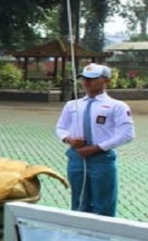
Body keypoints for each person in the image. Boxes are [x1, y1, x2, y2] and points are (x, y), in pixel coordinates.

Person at [55, 63, 135, 217]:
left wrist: (97, 148)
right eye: (84, 78)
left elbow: (127, 134)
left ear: (106, 81)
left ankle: (102, 238)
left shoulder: (116, 106)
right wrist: (69, 140)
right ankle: (80, 236)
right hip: (76, 157)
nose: (87, 82)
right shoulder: (73, 105)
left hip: (101, 159)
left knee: (103, 204)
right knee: (78, 202)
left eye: (92, 79)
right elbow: (60, 128)